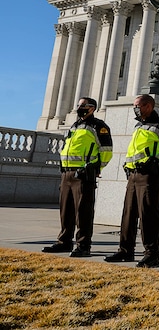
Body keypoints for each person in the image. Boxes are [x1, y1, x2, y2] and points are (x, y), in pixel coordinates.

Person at [104, 94, 159, 268]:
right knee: (128, 215)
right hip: (133, 175)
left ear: (148, 106)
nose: (135, 109)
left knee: (148, 216)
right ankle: (125, 251)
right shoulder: (139, 126)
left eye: (138, 105)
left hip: (149, 176)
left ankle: (151, 254)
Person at [43, 97, 112, 257]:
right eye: (79, 105)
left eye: (82, 105)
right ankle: (64, 242)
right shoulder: (74, 126)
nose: (79, 108)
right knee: (65, 210)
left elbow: (106, 151)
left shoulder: (98, 126)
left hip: (82, 175)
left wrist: (94, 168)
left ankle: (83, 245)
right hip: (66, 173)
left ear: (92, 108)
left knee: (83, 212)